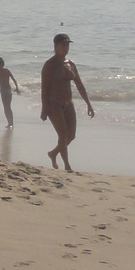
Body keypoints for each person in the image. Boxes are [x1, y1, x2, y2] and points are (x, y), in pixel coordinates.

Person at [41, 33, 94, 171]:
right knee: (63, 135)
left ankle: (53, 153)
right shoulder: (50, 64)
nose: (66, 47)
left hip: (68, 103)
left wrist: (88, 104)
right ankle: (67, 166)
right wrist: (44, 109)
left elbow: (79, 85)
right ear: (55, 46)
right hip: (54, 103)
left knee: (71, 136)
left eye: (67, 45)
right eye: (63, 44)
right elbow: (44, 88)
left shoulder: (70, 64)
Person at [0, 57, 21, 128]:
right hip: (2, 90)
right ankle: (9, 122)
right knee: (5, 107)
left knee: (8, 106)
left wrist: (17, 88)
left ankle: (11, 122)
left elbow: (13, 79)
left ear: (1, 65)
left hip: (8, 90)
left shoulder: (6, 71)